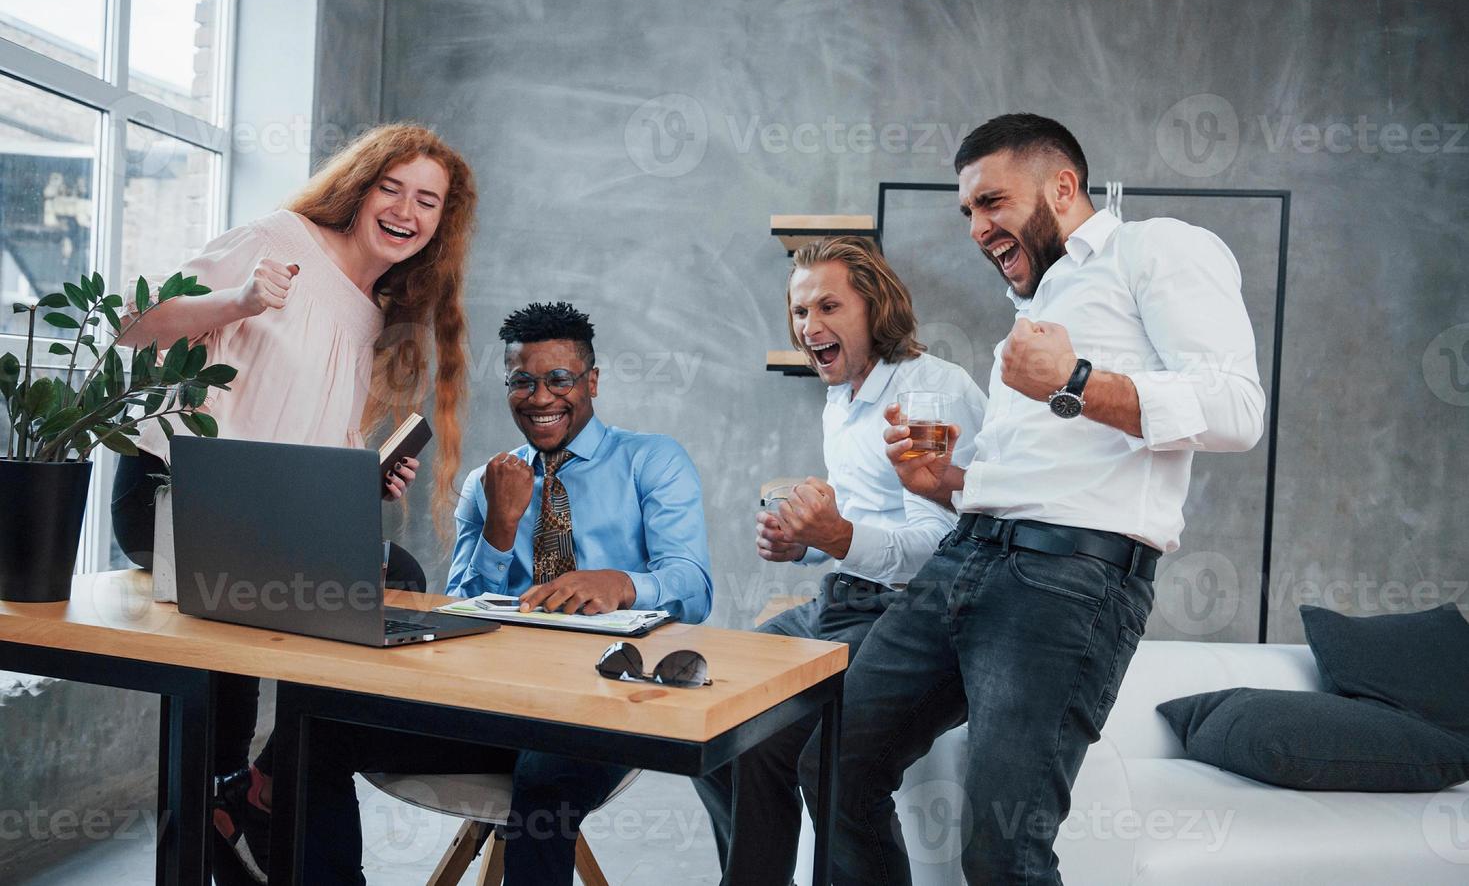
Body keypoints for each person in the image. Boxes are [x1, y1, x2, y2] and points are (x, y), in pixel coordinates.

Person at [796, 113, 1266, 884]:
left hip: (1065, 587)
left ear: (1062, 185)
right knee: (833, 764)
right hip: (965, 561)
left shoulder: (1156, 248)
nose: (978, 228)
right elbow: (1039, 480)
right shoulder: (1038, 306)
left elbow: (1236, 410)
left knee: (1000, 848)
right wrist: (943, 483)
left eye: (991, 202)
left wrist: (1075, 382)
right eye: (968, 213)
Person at [109, 123, 479, 884]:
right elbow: (130, 324)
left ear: (442, 222)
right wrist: (238, 299)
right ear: (360, 185)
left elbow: (304, 444)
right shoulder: (279, 238)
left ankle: (267, 780)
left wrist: (362, 478)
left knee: (396, 570)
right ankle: (227, 797)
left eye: (428, 201)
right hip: (170, 491)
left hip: (258, 514)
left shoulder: (372, 315)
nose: (406, 210)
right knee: (246, 617)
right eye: (392, 187)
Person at [265, 300, 713, 886]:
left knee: (544, 785)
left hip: (597, 708)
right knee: (312, 732)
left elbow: (695, 588)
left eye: (559, 379)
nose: (541, 397)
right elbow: (457, 609)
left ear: (592, 382)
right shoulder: (487, 481)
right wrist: (500, 530)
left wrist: (623, 583)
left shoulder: (652, 461)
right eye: (522, 382)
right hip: (491, 704)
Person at [692, 236, 986, 885]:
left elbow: (946, 547)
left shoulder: (932, 390)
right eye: (799, 312)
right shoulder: (841, 397)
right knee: (712, 727)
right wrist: (803, 547)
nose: (808, 326)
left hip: (915, 615)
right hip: (843, 599)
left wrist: (836, 536)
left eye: (828, 306)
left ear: (874, 308)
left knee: (795, 759)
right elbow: (860, 522)